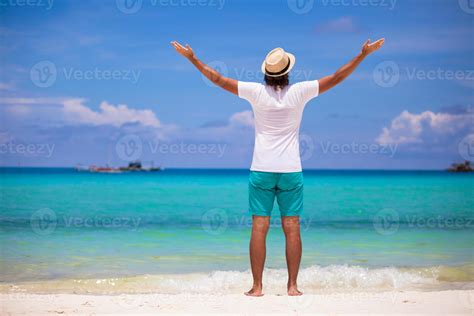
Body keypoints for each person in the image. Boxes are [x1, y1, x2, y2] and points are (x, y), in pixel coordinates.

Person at [171, 38, 385, 296]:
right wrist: (362, 54)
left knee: (259, 227)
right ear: (288, 72)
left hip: (261, 169)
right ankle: (293, 287)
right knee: (292, 226)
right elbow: (338, 77)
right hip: (291, 170)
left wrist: (192, 58)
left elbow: (216, 79)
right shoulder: (300, 92)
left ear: (266, 72)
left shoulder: (256, 92)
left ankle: (257, 287)